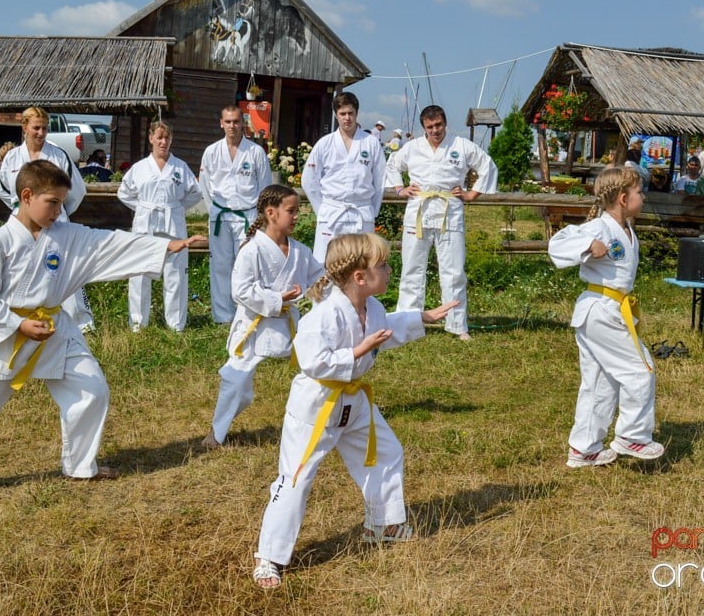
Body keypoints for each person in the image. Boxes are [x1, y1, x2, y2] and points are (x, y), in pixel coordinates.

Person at [0, 160, 207, 509]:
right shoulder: (2, 241)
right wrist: (17, 324)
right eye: (53, 202)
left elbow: (109, 244)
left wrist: (164, 247)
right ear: (26, 196)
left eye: (62, 203)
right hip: (8, 337)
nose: (59, 211)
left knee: (92, 389)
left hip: (54, 331)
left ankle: (80, 466)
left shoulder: (67, 237)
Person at [252, 232, 456, 588]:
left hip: (355, 402)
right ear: (360, 277)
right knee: (296, 478)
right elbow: (311, 360)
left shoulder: (372, 307)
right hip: (318, 404)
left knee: (387, 453)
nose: (390, 270)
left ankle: (383, 524)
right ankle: (269, 557)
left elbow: (385, 329)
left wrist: (421, 317)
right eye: (383, 265)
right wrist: (358, 351)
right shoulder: (325, 314)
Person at [547, 166, 663, 468]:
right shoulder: (600, 228)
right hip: (602, 309)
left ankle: (584, 449)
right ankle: (632, 435)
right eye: (639, 192)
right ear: (623, 198)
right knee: (640, 369)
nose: (643, 196)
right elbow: (556, 245)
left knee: (599, 382)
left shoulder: (624, 228)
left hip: (605, 309)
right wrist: (587, 246)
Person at [202, 185, 325, 450]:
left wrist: (335, 277)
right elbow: (241, 290)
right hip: (254, 325)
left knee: (317, 367)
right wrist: (277, 298)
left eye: (298, 211)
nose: (296, 216)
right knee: (236, 382)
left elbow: (319, 279)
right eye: (291, 211)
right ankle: (216, 433)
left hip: (290, 324)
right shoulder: (253, 249)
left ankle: (321, 420)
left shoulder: (300, 251)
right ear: (271, 213)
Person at [385, 104, 497, 341]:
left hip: (449, 211)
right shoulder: (413, 147)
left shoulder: (461, 146)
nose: (435, 131)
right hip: (419, 209)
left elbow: (487, 165)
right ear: (423, 127)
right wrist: (399, 188)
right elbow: (393, 165)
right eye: (429, 127)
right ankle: (408, 323)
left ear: (445, 123)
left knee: (454, 271)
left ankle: (457, 324)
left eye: (438, 125)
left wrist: (471, 194)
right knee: (412, 268)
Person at [0, 107, 95, 333]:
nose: (41, 133)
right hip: (23, 225)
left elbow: (77, 191)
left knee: (65, 270)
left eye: (44, 128)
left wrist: (59, 211)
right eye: (36, 128)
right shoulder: (12, 158)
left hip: (55, 222)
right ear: (24, 128)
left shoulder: (58, 156)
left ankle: (83, 324)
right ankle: (21, 320)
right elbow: (4, 191)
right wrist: (21, 210)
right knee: (20, 269)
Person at [118, 120, 202, 332]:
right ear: (151, 139)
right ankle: (138, 323)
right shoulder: (139, 168)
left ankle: (175, 325)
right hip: (145, 224)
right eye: (159, 137)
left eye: (167, 138)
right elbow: (124, 192)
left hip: (173, 222)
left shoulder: (180, 167)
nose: (163, 142)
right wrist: (142, 207)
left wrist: (177, 207)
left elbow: (196, 192)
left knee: (175, 274)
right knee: (140, 274)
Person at [199, 104, 272, 324]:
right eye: (228, 121)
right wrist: (215, 209)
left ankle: (247, 313)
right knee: (220, 264)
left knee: (248, 265)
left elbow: (265, 187)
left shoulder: (255, 152)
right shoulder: (212, 152)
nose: (232, 126)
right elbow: (204, 185)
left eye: (236, 121)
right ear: (221, 123)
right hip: (221, 215)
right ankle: (223, 316)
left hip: (247, 215)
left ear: (243, 123)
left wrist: (260, 218)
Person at [301, 92, 386, 263]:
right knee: (325, 263)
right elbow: (308, 180)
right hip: (332, 212)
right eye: (342, 114)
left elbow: (380, 181)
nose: (347, 118)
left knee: (363, 264)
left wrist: (372, 210)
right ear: (336, 115)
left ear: (356, 113)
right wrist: (322, 208)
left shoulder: (371, 143)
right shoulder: (325, 143)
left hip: (362, 213)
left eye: (350, 113)